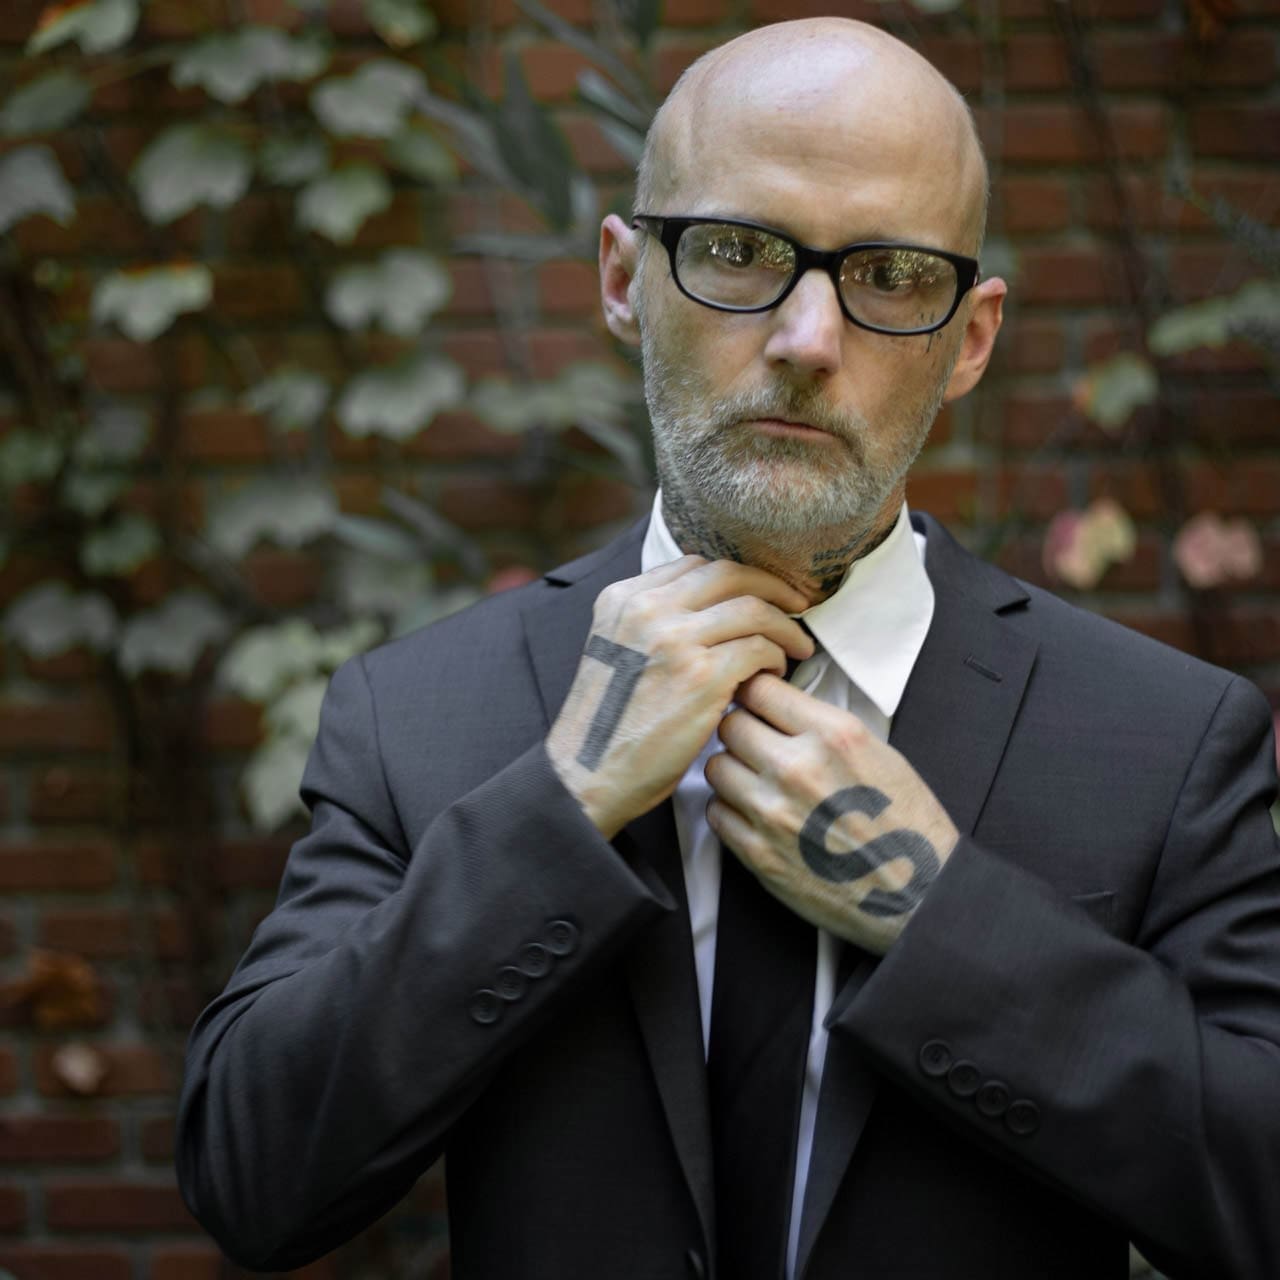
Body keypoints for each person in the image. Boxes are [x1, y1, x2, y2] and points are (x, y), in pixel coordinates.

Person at [176, 18, 1280, 1280]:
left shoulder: (1160, 737)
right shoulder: (418, 711)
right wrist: (561, 804)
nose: (807, 339)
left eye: (888, 275)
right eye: (739, 252)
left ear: (968, 339)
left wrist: (938, 918)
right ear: (621, 279)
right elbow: (251, 1172)